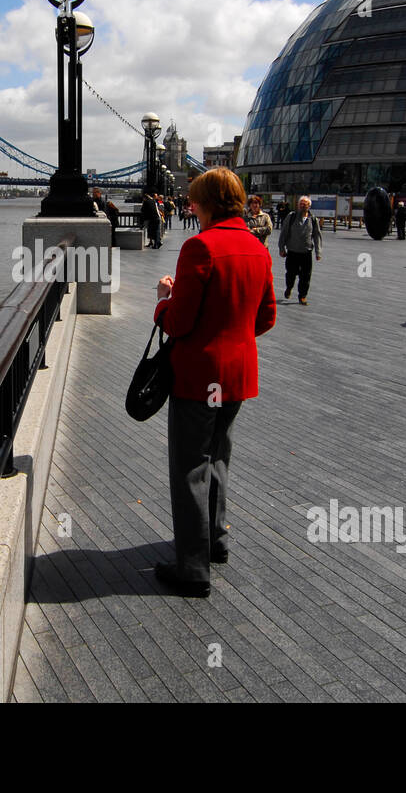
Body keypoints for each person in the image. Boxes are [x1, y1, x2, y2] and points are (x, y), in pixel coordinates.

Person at [153, 168, 276, 596]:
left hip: (198, 377)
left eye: (194, 201)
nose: (190, 208)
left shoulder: (199, 247)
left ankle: (192, 568)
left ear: (208, 204)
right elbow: (266, 317)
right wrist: (232, 334)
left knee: (189, 467)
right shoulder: (257, 249)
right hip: (237, 376)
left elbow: (180, 322)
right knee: (219, 457)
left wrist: (163, 301)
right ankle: (216, 542)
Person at [278, 195, 322, 305]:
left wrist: (318, 252)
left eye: (305, 204)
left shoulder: (313, 219)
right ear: (298, 205)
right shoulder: (291, 216)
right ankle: (289, 287)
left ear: (309, 206)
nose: (303, 206)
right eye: (301, 204)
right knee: (290, 273)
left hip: (306, 252)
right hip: (292, 251)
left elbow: (317, 236)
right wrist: (281, 247)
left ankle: (302, 296)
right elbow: (284, 233)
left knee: (306, 276)